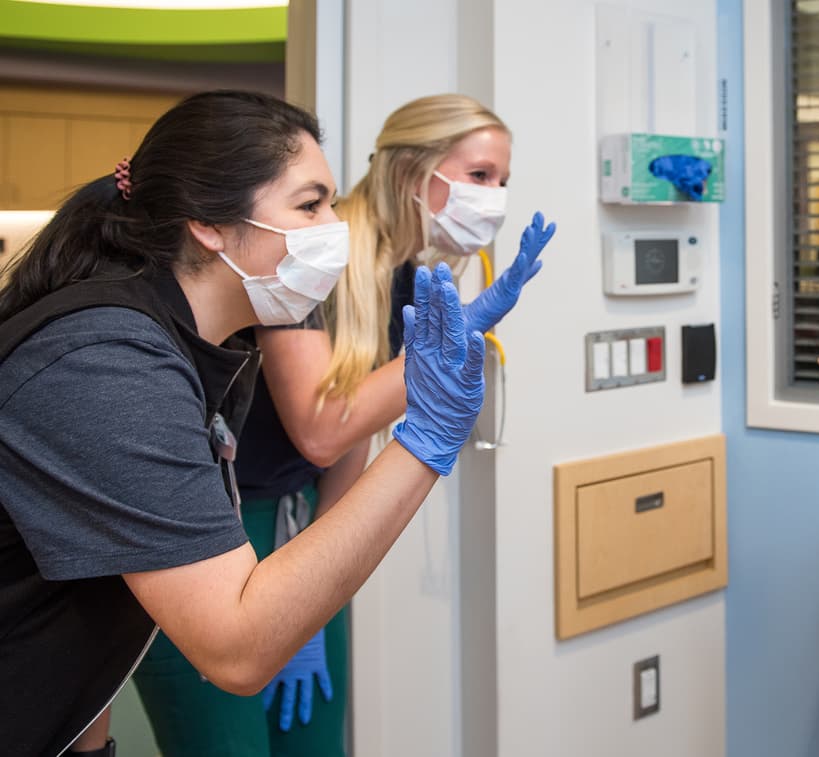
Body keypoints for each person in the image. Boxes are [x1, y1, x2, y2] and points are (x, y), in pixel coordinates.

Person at [0, 90, 489, 757]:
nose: (333, 227)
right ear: (207, 221)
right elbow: (237, 646)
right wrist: (424, 442)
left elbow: (83, 597)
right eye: (310, 204)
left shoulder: (198, 348)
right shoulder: (106, 361)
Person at [131, 93, 554, 756]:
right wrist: (442, 350)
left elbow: (348, 445)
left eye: (502, 180)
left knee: (315, 740)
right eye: (478, 176)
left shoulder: (408, 275)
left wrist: (318, 596)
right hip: (219, 522)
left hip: (303, 518)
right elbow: (322, 427)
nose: (493, 199)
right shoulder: (307, 257)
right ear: (414, 170)